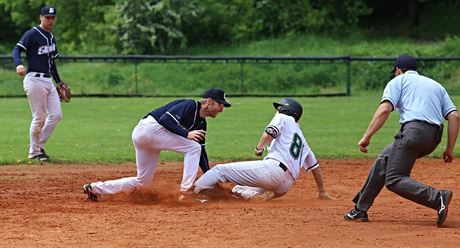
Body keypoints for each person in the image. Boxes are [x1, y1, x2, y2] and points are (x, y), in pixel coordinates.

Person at [344, 55, 459, 227]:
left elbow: (384, 110)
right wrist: (449, 149)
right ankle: (360, 209)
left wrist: (367, 136)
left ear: (398, 70)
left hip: (413, 133)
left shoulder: (398, 81)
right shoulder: (436, 85)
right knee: (385, 158)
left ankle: (437, 197)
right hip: (433, 138)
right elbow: (454, 116)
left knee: (395, 178)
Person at [82, 88, 231, 201]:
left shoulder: (201, 123)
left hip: (148, 137)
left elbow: (201, 154)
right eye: (220, 104)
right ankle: (186, 192)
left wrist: (209, 176)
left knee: (143, 183)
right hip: (149, 129)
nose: (222, 109)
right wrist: (186, 134)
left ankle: (94, 188)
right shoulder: (190, 105)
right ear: (210, 101)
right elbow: (165, 120)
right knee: (192, 147)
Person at [192, 98, 334, 201]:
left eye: (280, 107)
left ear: (287, 110)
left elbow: (270, 133)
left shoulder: (284, 117)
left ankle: (189, 194)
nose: (277, 109)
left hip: (273, 171)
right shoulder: (302, 139)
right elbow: (315, 167)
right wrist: (322, 192)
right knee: (237, 189)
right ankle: (246, 195)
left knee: (219, 170)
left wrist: (258, 148)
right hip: (285, 185)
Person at [12, 5, 66, 161]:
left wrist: (59, 81)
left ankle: (36, 145)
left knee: (56, 115)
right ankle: (35, 152)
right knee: (39, 117)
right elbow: (16, 50)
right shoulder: (32, 34)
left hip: (48, 80)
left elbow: (52, 62)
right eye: (47, 17)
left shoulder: (51, 37)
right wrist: (18, 64)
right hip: (34, 80)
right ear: (41, 18)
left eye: (52, 18)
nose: (50, 20)